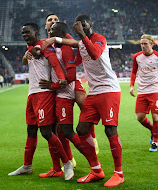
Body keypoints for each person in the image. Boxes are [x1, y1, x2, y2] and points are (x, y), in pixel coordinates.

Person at [50, 15, 124, 187]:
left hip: (109, 90)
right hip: (94, 92)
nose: (82, 28)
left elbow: (96, 54)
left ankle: (119, 173)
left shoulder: (99, 39)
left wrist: (81, 36)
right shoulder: (82, 44)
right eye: (79, 26)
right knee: (82, 129)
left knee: (110, 130)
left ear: (91, 24)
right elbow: (74, 62)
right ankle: (96, 170)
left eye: (84, 25)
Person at [8, 22, 74, 180]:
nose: (24, 36)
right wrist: (27, 54)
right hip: (32, 93)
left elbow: (54, 62)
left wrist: (62, 78)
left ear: (36, 33)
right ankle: (27, 165)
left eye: (27, 33)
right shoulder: (31, 48)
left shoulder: (44, 45)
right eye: (23, 33)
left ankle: (67, 163)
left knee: (46, 132)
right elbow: (27, 59)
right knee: (31, 130)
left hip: (44, 93)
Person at [44, 13, 99, 154]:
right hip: (56, 87)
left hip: (70, 80)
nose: (53, 21)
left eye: (56, 19)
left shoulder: (65, 38)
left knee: (84, 105)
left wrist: (56, 39)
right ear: (46, 26)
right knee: (59, 128)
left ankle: (91, 138)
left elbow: (77, 44)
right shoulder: (44, 42)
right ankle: (68, 158)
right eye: (50, 20)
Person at [130, 34, 158, 152]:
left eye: (145, 44)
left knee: (155, 116)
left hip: (155, 90)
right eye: (141, 44)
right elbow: (134, 72)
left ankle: (155, 143)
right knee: (140, 117)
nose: (143, 46)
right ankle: (154, 130)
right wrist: (132, 85)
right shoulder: (137, 57)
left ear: (152, 44)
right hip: (142, 91)